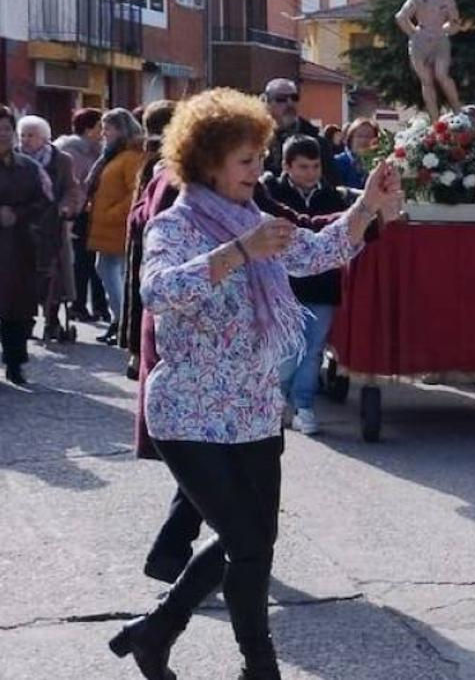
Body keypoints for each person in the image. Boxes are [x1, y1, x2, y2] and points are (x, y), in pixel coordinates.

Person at [108, 87, 400, 680]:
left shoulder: (254, 218)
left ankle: (156, 632)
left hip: (254, 409)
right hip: (189, 414)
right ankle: (259, 667)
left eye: (259, 158)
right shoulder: (177, 225)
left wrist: (366, 206)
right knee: (246, 540)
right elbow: (157, 291)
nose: (257, 170)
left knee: (254, 541)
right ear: (209, 161)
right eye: (246, 161)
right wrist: (238, 252)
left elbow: (316, 252)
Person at [262, 135, 353, 436]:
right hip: (283, 287)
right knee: (287, 351)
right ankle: (275, 401)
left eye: (315, 166)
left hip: (323, 286)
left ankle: (304, 407)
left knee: (313, 350)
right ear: (287, 166)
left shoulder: (331, 196)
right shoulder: (271, 192)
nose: (311, 173)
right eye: (303, 166)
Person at [121, 101, 179, 373]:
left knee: (138, 291)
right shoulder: (163, 161)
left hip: (145, 239)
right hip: (155, 238)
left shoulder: (150, 157)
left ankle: (135, 351)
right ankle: (138, 352)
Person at [19, 115, 82, 342]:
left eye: (31, 135)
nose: (25, 140)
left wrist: (66, 207)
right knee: (22, 276)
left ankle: (52, 320)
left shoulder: (61, 160)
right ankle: (24, 320)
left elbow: (71, 189)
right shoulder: (13, 160)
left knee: (53, 275)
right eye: (23, 135)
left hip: (51, 224)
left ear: (44, 138)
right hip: (22, 226)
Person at [0, 106, 51, 386]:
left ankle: (15, 363)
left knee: (15, 309)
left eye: (6, 129)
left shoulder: (29, 167)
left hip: (18, 247)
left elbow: (44, 201)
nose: (2, 135)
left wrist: (18, 214)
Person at [88, 108, 145, 346]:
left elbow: (135, 191)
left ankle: (122, 320)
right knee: (109, 270)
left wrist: (113, 213)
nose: (103, 133)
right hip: (107, 226)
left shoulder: (130, 157)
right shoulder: (114, 155)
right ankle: (119, 320)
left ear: (120, 130)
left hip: (117, 226)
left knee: (109, 270)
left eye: (107, 128)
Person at [58, 108, 109, 323]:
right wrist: (79, 206)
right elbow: (74, 185)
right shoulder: (74, 151)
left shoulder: (96, 150)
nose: (102, 132)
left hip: (93, 212)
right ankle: (78, 305)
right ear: (88, 129)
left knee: (93, 261)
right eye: (99, 127)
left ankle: (99, 306)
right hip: (79, 214)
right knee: (82, 262)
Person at [260, 78, 337, 185]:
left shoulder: (318, 142)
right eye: (281, 99)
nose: (290, 103)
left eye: (294, 98)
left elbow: (331, 183)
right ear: (266, 102)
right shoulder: (255, 138)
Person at [333, 118, 380, 190]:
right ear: (351, 138)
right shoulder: (337, 162)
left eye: (369, 136)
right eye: (359, 136)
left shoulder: (379, 165)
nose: (364, 140)